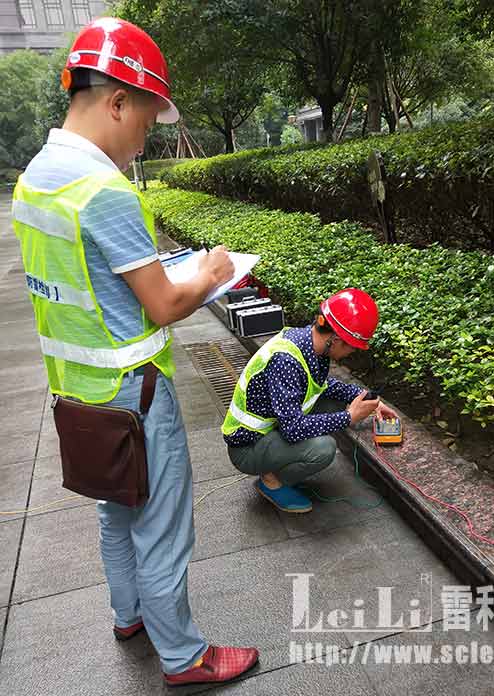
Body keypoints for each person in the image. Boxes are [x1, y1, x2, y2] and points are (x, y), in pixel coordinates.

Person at [12, 17, 258, 687]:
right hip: (134, 392)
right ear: (117, 101)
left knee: (114, 510)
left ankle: (130, 616)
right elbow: (166, 306)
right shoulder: (105, 191)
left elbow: (90, 284)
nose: (146, 135)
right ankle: (185, 657)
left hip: (78, 392)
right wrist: (209, 274)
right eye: (147, 119)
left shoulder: (36, 181)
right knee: (160, 527)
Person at [222, 288, 398, 512]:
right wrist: (350, 416)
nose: (352, 353)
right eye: (352, 347)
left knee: (332, 402)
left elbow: (322, 386)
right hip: (247, 447)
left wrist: (364, 398)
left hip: (271, 429)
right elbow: (293, 429)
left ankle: (279, 464)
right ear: (336, 339)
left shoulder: (309, 343)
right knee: (323, 448)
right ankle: (271, 482)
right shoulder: (286, 360)